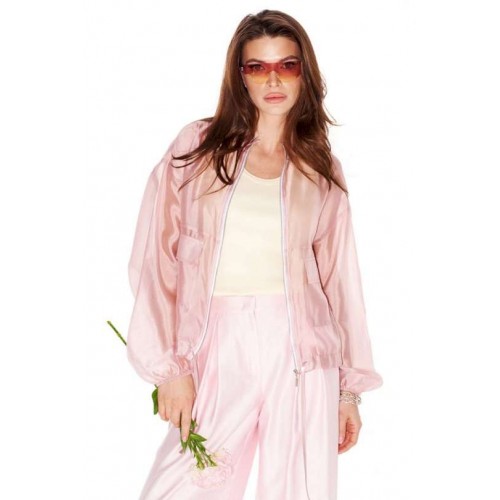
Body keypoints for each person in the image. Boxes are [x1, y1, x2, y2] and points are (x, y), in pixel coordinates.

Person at [126, 9, 383, 500]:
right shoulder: (198, 147)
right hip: (217, 343)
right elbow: (155, 259)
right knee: (184, 484)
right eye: (258, 67)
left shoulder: (320, 167)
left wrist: (348, 391)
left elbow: (340, 282)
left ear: (304, 72)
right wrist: (170, 369)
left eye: (287, 65)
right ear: (240, 75)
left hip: (303, 352)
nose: (273, 80)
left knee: (299, 490)